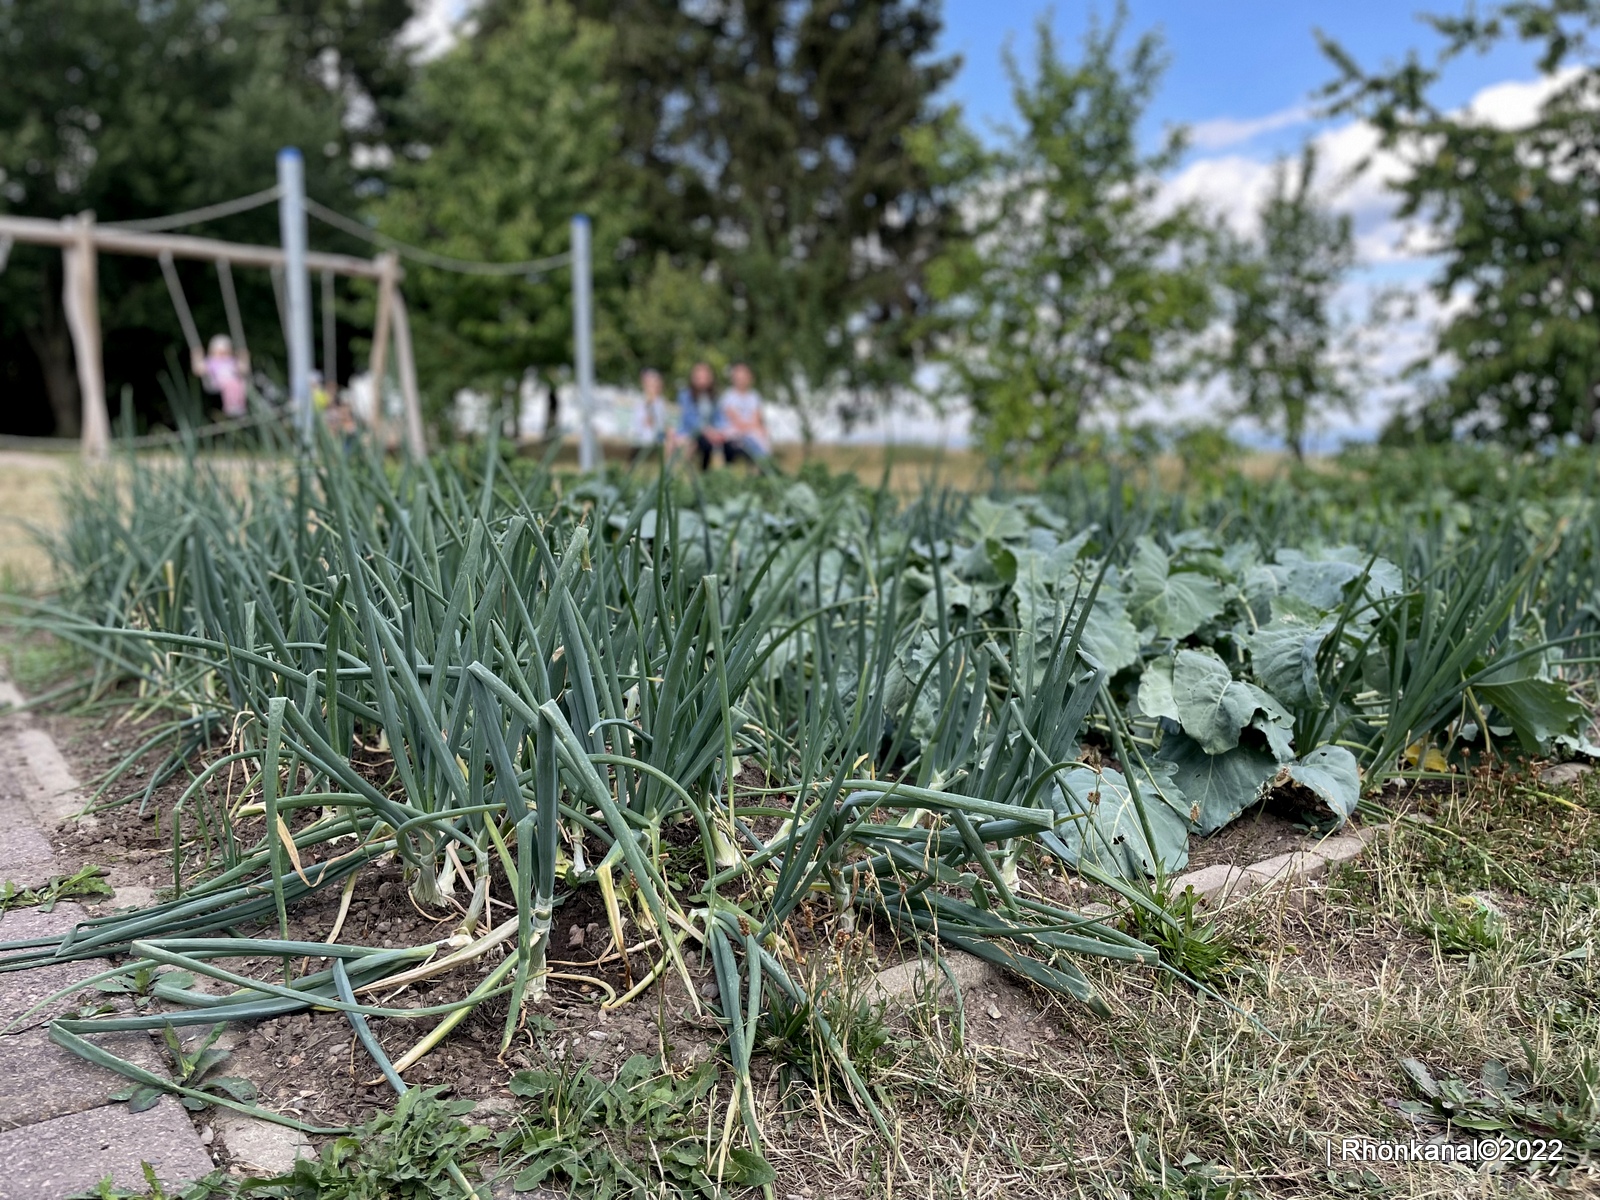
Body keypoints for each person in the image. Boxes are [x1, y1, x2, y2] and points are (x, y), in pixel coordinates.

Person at [718, 362, 771, 466]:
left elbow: (757, 418)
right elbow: (737, 422)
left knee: (763, 436)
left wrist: (756, 428)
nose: (741, 380)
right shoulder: (727, 397)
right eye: (738, 377)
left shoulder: (755, 396)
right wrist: (753, 427)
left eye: (744, 376)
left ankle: (762, 469)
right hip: (734, 435)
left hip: (752, 433)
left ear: (750, 377)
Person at [676, 361, 723, 470]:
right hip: (690, 432)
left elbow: (718, 418)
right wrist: (705, 429)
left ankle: (710, 474)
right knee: (693, 444)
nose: (702, 380)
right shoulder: (685, 395)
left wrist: (717, 430)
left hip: (710, 434)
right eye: (699, 377)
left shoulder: (715, 397)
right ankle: (682, 474)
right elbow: (688, 418)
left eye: (705, 377)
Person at [192, 334, 250, 418]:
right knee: (230, 386)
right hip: (218, 381)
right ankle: (230, 406)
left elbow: (243, 369)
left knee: (240, 385)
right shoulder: (211, 362)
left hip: (234, 380)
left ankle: (240, 406)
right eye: (219, 352)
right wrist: (196, 358)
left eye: (225, 352)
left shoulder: (231, 361)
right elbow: (198, 370)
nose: (222, 354)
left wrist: (244, 358)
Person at [637, 369, 672, 450]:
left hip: (659, 433)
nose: (653, 388)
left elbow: (663, 421)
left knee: (670, 436)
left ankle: (668, 461)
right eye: (650, 385)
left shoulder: (660, 402)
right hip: (646, 434)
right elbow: (642, 423)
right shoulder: (642, 401)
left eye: (655, 385)